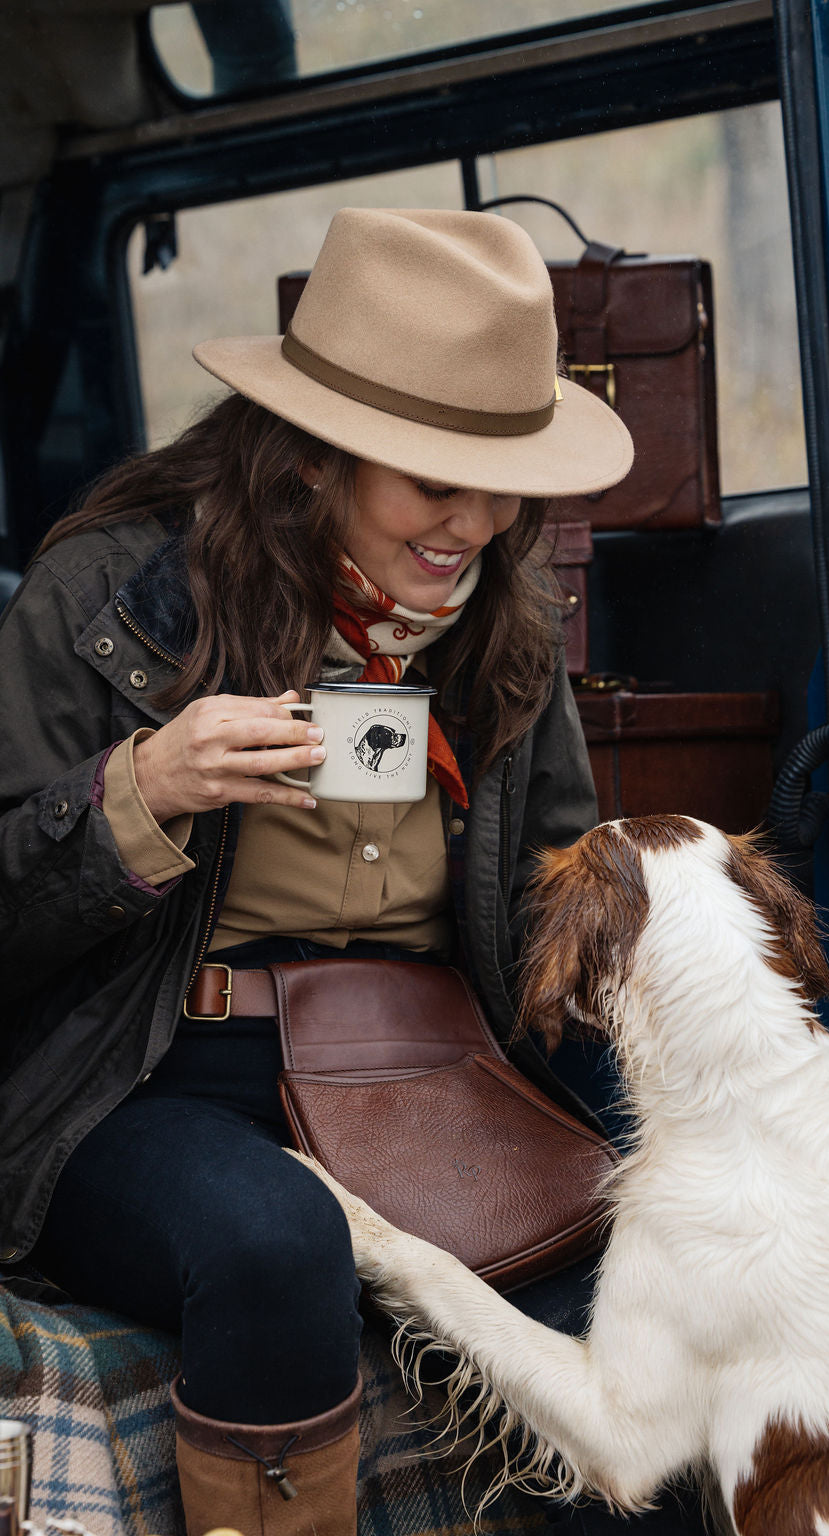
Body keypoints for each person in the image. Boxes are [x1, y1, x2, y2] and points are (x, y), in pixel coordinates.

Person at [0, 208, 633, 1536]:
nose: (473, 522)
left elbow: (555, 913)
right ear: (314, 456)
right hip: (143, 1078)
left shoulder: (503, 622)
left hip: (428, 1077)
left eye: (498, 478)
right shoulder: (108, 594)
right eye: (429, 482)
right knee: (276, 1242)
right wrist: (138, 796)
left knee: (648, 1253)